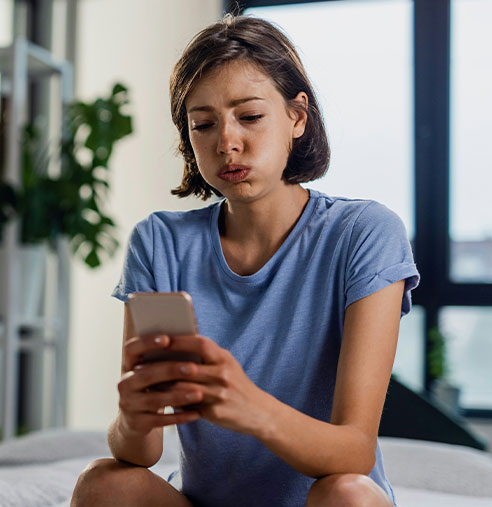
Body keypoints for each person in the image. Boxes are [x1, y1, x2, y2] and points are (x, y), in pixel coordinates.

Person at [71, 14, 419, 507]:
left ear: (297, 116)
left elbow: (355, 451)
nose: (226, 142)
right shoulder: (160, 241)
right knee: (105, 483)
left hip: (322, 501)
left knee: (349, 495)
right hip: (202, 500)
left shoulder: (364, 233)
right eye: (203, 124)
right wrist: (132, 418)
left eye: (250, 117)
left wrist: (249, 406)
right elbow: (141, 454)